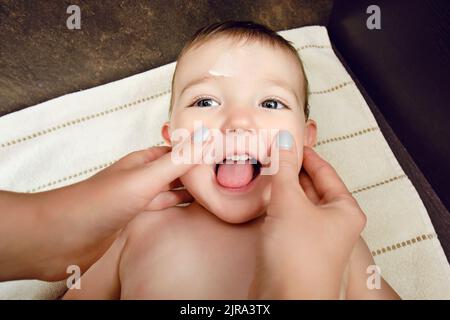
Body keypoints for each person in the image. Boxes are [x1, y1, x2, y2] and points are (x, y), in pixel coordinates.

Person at [59, 21, 399, 299]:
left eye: (270, 103)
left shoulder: (334, 235)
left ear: (306, 139)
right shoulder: (138, 227)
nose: (238, 121)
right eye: (205, 102)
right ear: (171, 137)